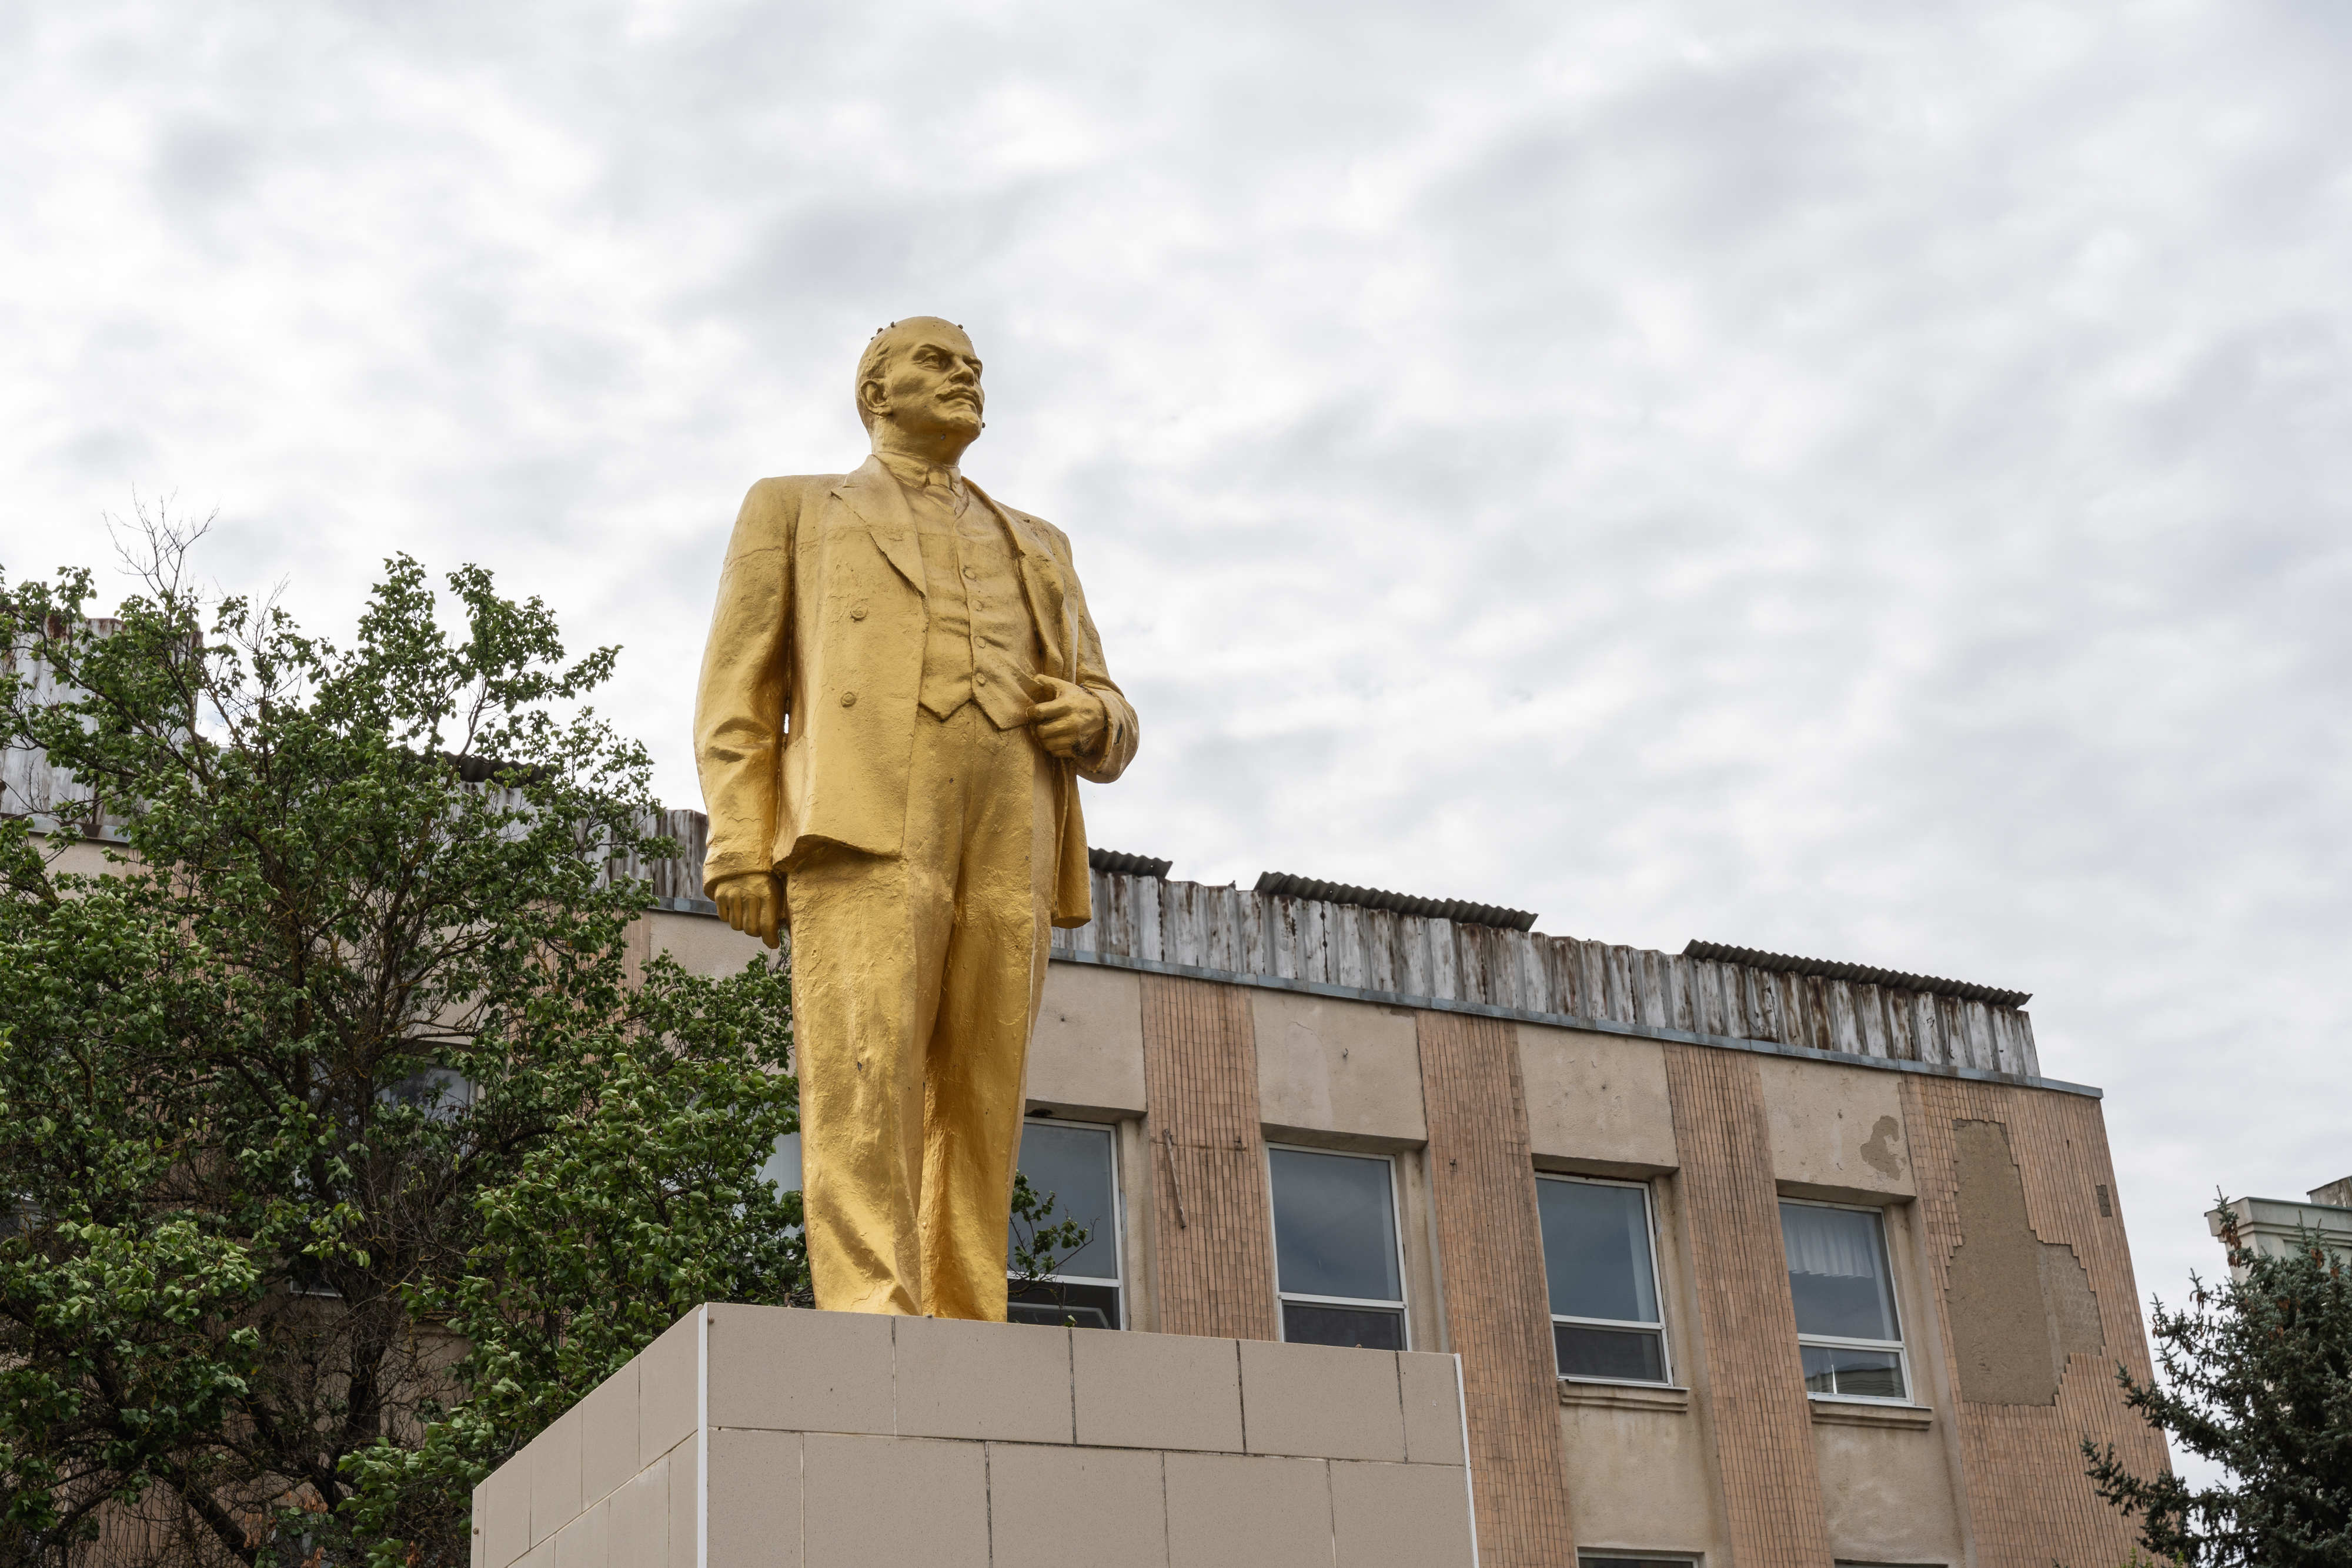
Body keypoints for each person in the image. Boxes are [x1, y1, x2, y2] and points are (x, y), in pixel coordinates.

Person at [693, 316, 1139, 1318]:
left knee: (985, 1082)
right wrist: (739, 844)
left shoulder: (1042, 543)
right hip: (865, 816)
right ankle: (868, 1309)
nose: (967, 376)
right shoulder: (795, 508)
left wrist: (1097, 718)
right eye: (938, 362)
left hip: (1012, 816)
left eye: (976, 367)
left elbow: (1112, 701)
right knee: (865, 1063)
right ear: (876, 393)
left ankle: (967, 1311)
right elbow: (738, 691)